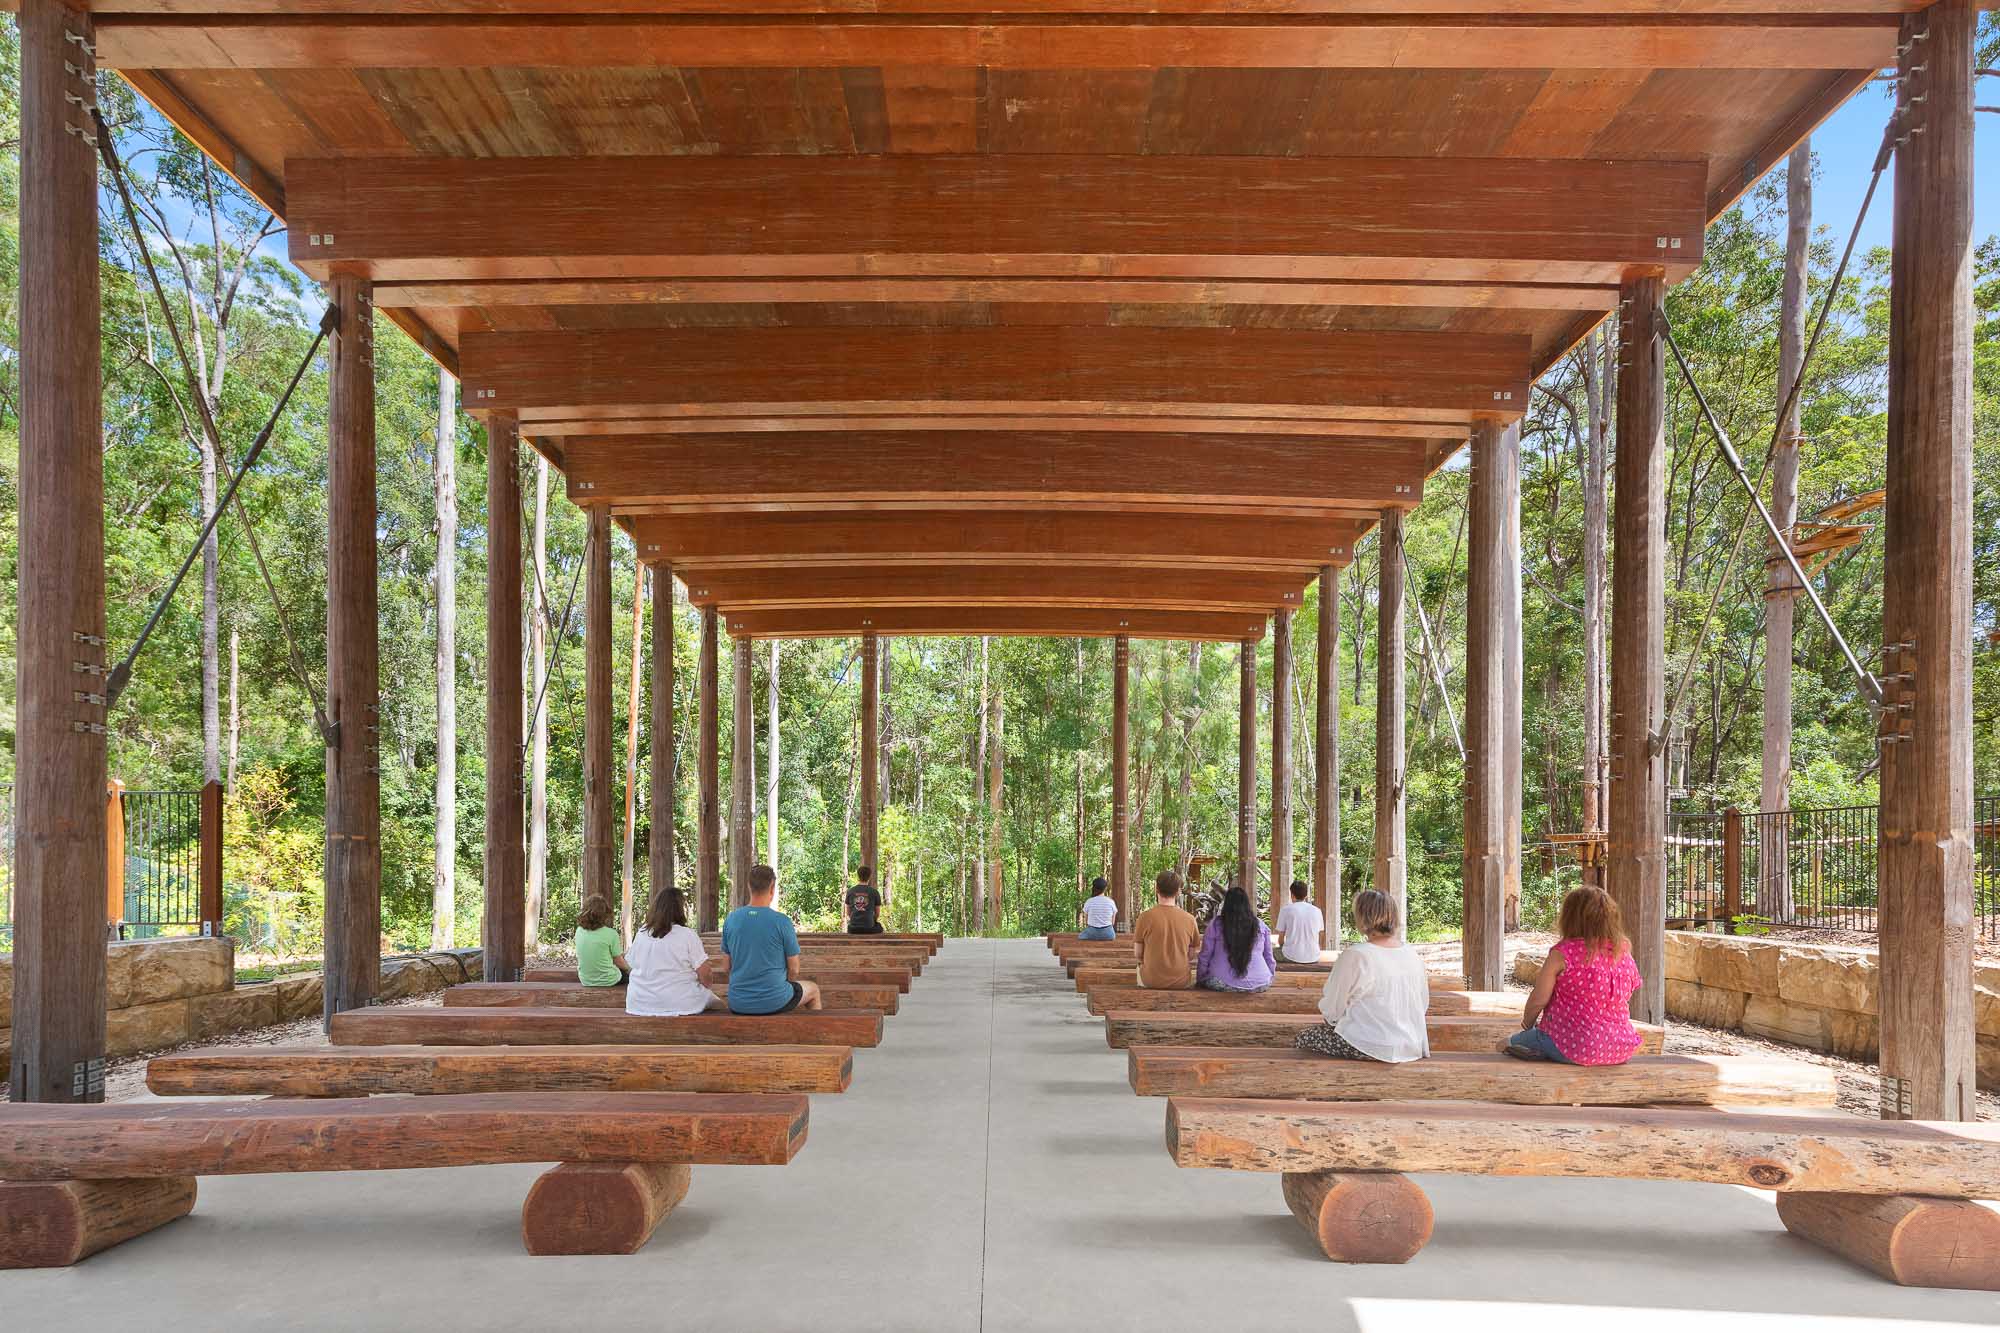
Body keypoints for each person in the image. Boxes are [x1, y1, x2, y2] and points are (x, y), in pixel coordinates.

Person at [1503, 885, 1644, 1066]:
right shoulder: (1623, 953)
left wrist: (1527, 1026)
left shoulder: (1563, 953)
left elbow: (1538, 1000)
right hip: (1620, 1048)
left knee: (1505, 1044)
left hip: (1573, 1046)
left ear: (1570, 917)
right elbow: (1625, 994)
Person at [1294, 890, 1430, 1062]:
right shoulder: (1411, 953)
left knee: (1304, 1038)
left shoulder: (1356, 955)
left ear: (1362, 917)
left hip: (1370, 1044)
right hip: (1411, 1044)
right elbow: (1422, 1004)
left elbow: (1332, 1009)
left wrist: (1337, 1022)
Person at [721, 864, 823, 1014]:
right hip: (775, 1000)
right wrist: (782, 987)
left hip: (738, 1002)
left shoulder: (731, 919)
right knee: (813, 989)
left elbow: (726, 967)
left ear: (749, 886)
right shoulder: (782, 921)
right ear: (772, 888)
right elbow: (794, 969)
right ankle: (814, 1029)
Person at [624, 885, 725, 1017]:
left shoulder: (642, 933)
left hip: (639, 1003)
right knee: (719, 1005)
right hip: (681, 1003)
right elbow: (705, 975)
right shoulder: (687, 935)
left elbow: (631, 965)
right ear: (680, 910)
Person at [1194, 885, 1275, 993]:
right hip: (1260, 983)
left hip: (1222, 982)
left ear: (1226, 904)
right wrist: (1269, 976)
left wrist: (1200, 978)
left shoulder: (1216, 925)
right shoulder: (1260, 925)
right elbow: (1269, 957)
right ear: (1246, 904)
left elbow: (1205, 955)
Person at [1132, 871, 1200, 989]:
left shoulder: (1144, 917)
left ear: (1156, 889)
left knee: (1139, 968)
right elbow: (1192, 954)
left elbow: (1138, 954)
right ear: (1178, 892)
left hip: (1150, 981)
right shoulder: (1190, 919)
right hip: (1181, 981)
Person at [573, 894, 626, 987]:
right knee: (631, 975)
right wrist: (630, 970)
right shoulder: (611, 934)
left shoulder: (579, 931)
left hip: (586, 980)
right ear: (605, 914)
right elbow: (618, 961)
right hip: (609, 980)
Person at [1274, 879, 1326, 964]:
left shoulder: (1285, 910)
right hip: (1314, 956)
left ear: (1292, 895)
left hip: (1291, 956)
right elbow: (1321, 934)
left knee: (1269, 952)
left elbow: (1281, 939)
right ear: (1306, 895)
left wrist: (1283, 947)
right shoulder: (1317, 910)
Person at [844, 864, 885, 935]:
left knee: (850, 927)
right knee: (879, 927)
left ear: (858, 876)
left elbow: (848, 913)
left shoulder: (850, 891)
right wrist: (870, 921)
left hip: (853, 928)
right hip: (869, 927)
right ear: (869, 877)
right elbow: (877, 914)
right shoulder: (874, 892)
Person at [1077, 876, 1119, 941]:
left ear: (1093, 887)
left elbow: (1087, 921)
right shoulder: (1111, 902)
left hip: (1091, 932)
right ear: (1105, 888)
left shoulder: (1089, 901)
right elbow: (1112, 923)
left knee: (1080, 936)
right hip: (1108, 934)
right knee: (1111, 934)